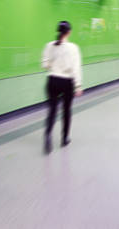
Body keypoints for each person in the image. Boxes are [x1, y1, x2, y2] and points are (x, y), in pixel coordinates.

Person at [41, 21, 83, 154]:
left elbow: (44, 65)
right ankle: (64, 138)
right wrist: (78, 86)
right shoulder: (73, 48)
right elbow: (76, 69)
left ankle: (48, 135)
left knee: (52, 110)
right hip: (67, 82)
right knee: (66, 111)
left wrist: (54, 64)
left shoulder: (49, 46)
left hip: (52, 80)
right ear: (69, 32)